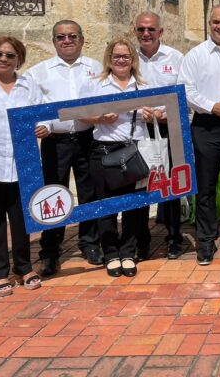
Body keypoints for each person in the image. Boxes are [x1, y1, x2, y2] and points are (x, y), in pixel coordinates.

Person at [24, 20, 103, 276]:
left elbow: (102, 101)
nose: (66, 41)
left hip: (87, 138)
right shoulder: (38, 72)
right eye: (61, 37)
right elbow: (32, 106)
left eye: (72, 36)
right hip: (55, 142)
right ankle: (50, 251)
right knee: (54, 196)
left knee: (89, 193)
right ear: (54, 41)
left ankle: (90, 243)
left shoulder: (96, 67)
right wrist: (44, 124)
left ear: (82, 39)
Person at [0, 37, 45, 297]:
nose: (3, 59)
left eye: (9, 55)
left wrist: (45, 127)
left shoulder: (28, 86)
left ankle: (24, 267)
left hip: (22, 162)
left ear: (19, 59)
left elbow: (43, 114)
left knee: (21, 218)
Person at [80, 38, 154, 278]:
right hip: (103, 150)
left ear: (133, 60)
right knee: (106, 206)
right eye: (116, 56)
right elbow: (81, 115)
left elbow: (157, 113)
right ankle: (111, 253)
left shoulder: (142, 86)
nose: (121, 60)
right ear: (109, 60)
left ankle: (128, 252)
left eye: (125, 56)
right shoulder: (97, 85)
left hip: (133, 151)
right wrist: (100, 118)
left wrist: (150, 114)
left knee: (133, 206)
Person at [178, 4, 220, 265]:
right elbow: (185, 90)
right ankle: (206, 240)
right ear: (209, 24)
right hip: (206, 126)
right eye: (216, 22)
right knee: (205, 186)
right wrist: (212, 107)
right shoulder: (195, 55)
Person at [133, 11, 184, 260]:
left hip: (168, 126)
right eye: (141, 29)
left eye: (151, 29)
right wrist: (138, 111)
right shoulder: (129, 59)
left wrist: (165, 112)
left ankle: (174, 237)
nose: (146, 34)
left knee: (170, 183)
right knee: (141, 184)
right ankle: (142, 240)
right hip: (138, 130)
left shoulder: (176, 58)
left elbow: (184, 93)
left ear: (160, 32)